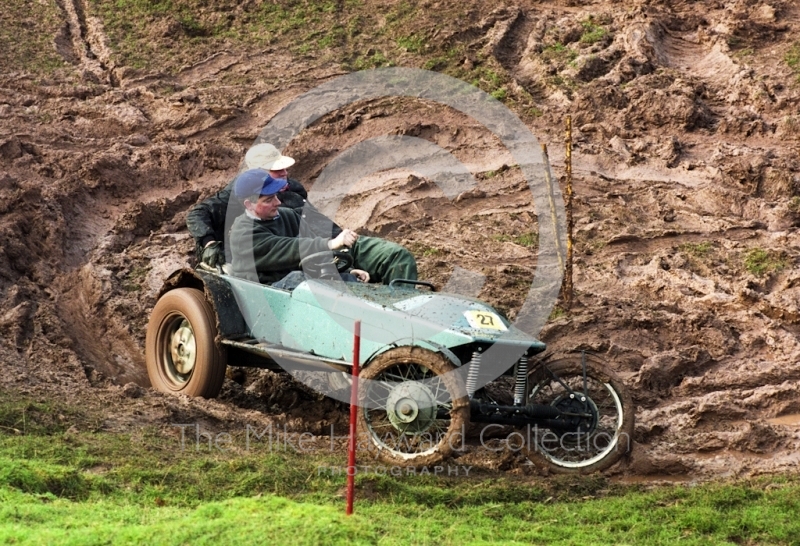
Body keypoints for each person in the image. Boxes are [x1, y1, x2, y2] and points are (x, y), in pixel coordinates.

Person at [186, 143, 417, 284]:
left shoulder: (293, 191)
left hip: (331, 246)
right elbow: (290, 248)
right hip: (301, 261)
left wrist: (341, 254)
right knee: (319, 286)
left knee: (397, 257)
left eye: (285, 167)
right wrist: (209, 243)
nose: (286, 173)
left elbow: (312, 226)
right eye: (277, 170)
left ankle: (404, 321)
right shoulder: (240, 199)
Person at [228, 169, 371, 285]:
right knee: (299, 281)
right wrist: (330, 243)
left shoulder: (288, 215)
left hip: (296, 285)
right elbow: (287, 248)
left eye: (276, 196)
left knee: (349, 282)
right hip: (263, 293)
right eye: (269, 200)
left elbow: (316, 249)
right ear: (249, 205)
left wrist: (346, 272)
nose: (278, 202)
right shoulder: (242, 234)